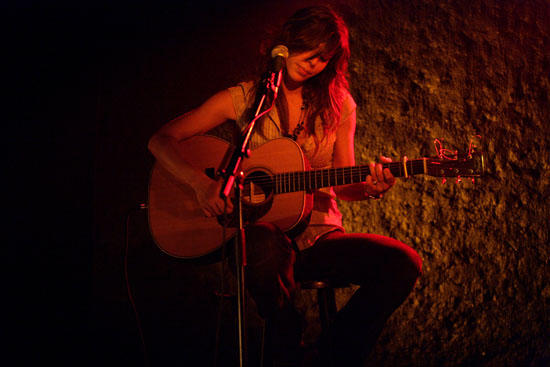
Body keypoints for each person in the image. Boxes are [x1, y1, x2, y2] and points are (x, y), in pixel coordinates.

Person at [148, 5, 422, 367]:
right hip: (260, 244)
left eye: (324, 58)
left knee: (402, 262)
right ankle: (286, 335)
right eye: (309, 50)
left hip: (318, 240)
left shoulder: (340, 106)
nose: (313, 63)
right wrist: (200, 184)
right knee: (262, 242)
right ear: (287, 42)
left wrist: (371, 186)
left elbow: (344, 185)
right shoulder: (246, 98)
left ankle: (330, 357)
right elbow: (161, 139)